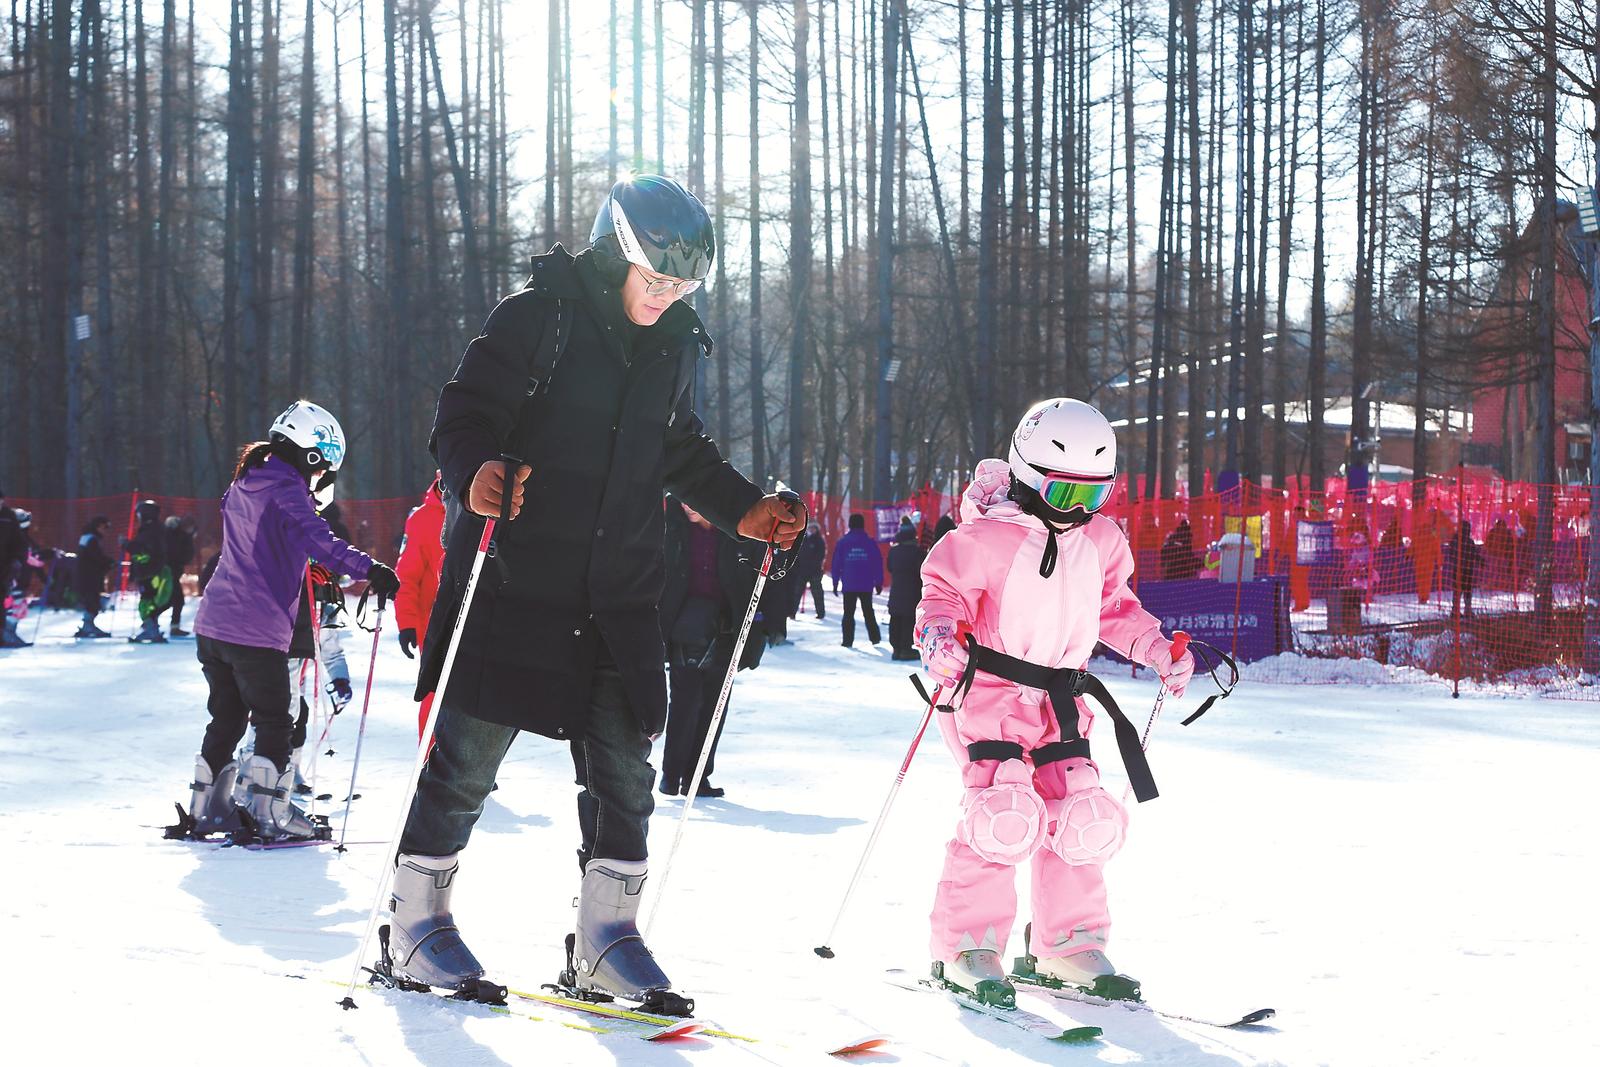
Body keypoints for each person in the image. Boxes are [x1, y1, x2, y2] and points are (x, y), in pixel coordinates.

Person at [387, 175, 805, 1010]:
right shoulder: (536, 316)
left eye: (681, 285)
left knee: (624, 772)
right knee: (466, 762)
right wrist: (475, 474)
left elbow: (677, 448)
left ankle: (607, 937)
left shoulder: (676, 344)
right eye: (655, 279)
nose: (665, 296)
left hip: (618, 597)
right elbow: (461, 414)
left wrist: (745, 510)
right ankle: (415, 924)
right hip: (517, 582)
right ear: (617, 249)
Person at [915, 397, 1194, 1006]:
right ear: (1028, 477)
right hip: (989, 691)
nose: (1080, 512)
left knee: (1080, 816)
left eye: (1094, 497)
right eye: (1066, 495)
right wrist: (940, 639)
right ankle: (966, 945)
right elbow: (940, 596)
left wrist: (1154, 648)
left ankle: (1067, 944)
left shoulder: (1100, 540)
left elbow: (1115, 608)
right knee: (1002, 816)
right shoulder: (982, 538)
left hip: (1062, 697)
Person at [175, 401, 399, 843]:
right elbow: (319, 539)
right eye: (323, 469)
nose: (320, 480)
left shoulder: (247, 478)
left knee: (226, 717)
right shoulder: (286, 487)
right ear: (312, 454)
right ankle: (269, 813)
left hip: (214, 622)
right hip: (253, 628)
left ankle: (208, 807)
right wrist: (370, 567)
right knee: (275, 721)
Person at [657, 499, 766, 798]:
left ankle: (698, 777)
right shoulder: (670, 526)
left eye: (695, 499)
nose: (689, 505)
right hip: (684, 627)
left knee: (715, 706)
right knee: (683, 704)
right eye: (683, 499)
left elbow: (756, 576)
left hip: (725, 629)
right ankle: (671, 775)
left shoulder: (735, 530)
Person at [395, 473, 447, 739]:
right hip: (436, 627)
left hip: (479, 623)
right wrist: (407, 623)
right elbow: (407, 577)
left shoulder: (487, 509)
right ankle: (429, 764)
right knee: (434, 697)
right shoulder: (423, 519)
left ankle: (473, 770)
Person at [830, 513, 883, 647]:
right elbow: (877, 562)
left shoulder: (843, 542)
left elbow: (836, 563)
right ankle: (875, 638)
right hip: (866, 583)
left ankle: (847, 641)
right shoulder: (869, 542)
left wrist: (835, 582)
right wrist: (878, 582)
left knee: (848, 613)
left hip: (849, 583)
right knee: (868, 611)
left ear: (850, 525)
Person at [124, 499, 171, 643]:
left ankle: (151, 629)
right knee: (150, 599)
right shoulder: (153, 530)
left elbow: (143, 553)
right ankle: (151, 627)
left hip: (150, 572)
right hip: (150, 571)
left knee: (147, 601)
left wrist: (128, 546)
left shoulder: (150, 532)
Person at [886, 522, 926, 660]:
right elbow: (921, 572)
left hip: (896, 590)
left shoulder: (894, 551)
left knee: (895, 618)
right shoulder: (917, 552)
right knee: (908, 620)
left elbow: (890, 567)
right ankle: (905, 648)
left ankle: (896, 648)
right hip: (912, 591)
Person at [73, 516, 116, 638]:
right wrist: (109, 562)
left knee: (91, 600)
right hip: (89, 576)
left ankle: (88, 625)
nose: (105, 531)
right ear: (99, 526)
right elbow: (95, 557)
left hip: (86, 575)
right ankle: (88, 626)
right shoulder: (91, 539)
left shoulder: (87, 537)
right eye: (105, 527)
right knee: (92, 601)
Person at [163, 515, 198, 637]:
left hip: (169, 571)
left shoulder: (175, 535)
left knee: (171, 600)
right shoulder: (180, 537)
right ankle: (151, 621)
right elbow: (182, 555)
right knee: (174, 600)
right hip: (169, 572)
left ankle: (153, 621)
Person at [788, 522, 826, 619]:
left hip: (814, 572)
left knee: (817, 593)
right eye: (810, 528)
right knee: (796, 593)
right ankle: (792, 612)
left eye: (814, 528)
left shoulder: (819, 540)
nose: (812, 530)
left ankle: (820, 612)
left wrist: (814, 566)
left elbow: (820, 556)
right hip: (802, 570)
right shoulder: (803, 539)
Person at [1445, 519, 1482, 620]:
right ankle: (1465, 610)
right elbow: (1474, 554)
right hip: (1467, 569)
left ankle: (1456, 610)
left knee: (1458, 590)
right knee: (1466, 590)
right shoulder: (1468, 541)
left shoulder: (1454, 540)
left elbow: (1451, 553)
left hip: (1458, 569)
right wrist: (1480, 561)